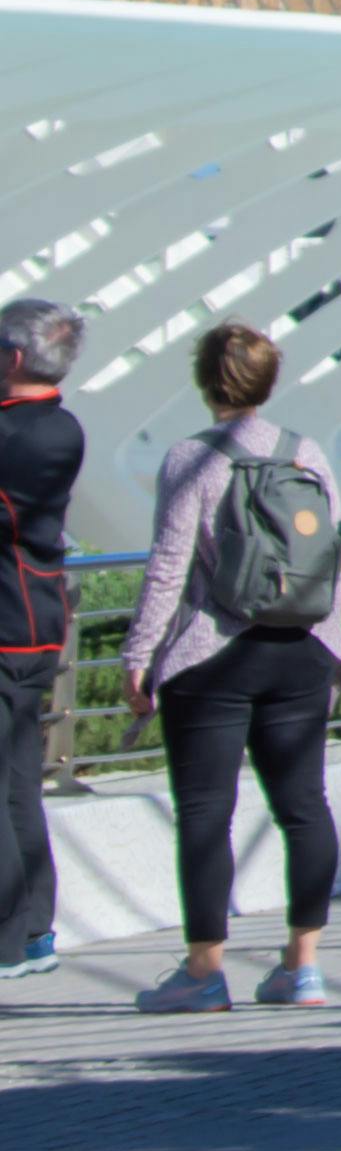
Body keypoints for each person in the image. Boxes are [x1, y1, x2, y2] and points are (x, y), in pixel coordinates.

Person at [126, 320, 341, 1014]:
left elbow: (169, 567)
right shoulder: (306, 451)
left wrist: (139, 657)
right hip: (300, 654)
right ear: (268, 380)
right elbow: (335, 557)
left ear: (204, 383)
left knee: (205, 813)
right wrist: (331, 642)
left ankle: (204, 974)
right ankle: (303, 966)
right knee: (304, 807)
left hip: (212, 655)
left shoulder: (190, 457)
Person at [0, 296, 74, 981]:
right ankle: (34, 931)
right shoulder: (61, 427)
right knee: (20, 780)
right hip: (37, 621)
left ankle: (9, 939)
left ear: (13, 358)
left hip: (3, 624)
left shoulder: (14, 435)